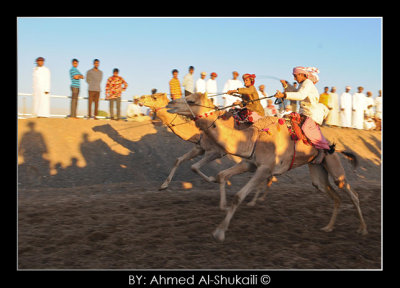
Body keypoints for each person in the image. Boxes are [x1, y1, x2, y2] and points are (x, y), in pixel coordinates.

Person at [275, 66, 331, 164]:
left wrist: (284, 95)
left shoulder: (308, 83)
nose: (294, 78)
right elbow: (296, 92)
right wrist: (286, 85)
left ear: (301, 74)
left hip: (312, 113)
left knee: (306, 128)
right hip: (304, 112)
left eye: (295, 76)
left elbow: (300, 95)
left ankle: (322, 149)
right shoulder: (303, 84)